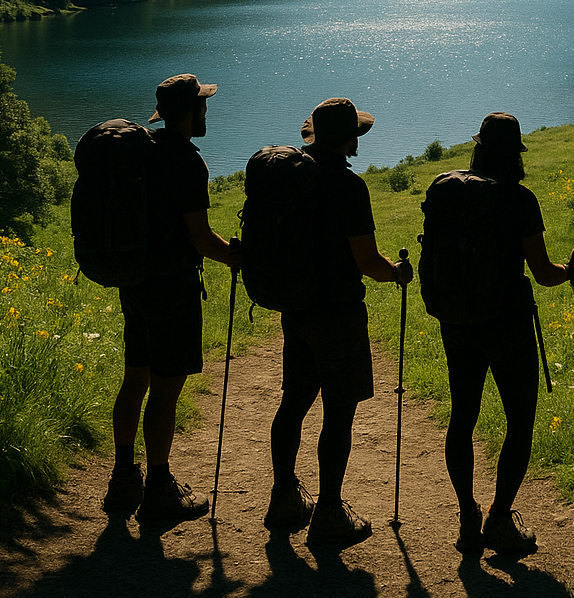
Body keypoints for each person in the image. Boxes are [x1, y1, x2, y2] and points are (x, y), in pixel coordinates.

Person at [434, 112, 574, 556]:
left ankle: (467, 513)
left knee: (462, 417)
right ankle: (500, 518)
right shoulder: (520, 200)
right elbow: (542, 273)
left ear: (478, 147)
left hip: (457, 322)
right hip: (507, 324)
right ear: (516, 153)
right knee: (519, 421)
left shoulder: (447, 190)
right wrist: (570, 271)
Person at [263, 97, 411, 545]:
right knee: (339, 411)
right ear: (350, 139)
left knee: (293, 402)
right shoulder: (348, 187)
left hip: (298, 309)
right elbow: (366, 260)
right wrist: (396, 273)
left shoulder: (293, 177)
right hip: (339, 313)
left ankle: (284, 496)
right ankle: (329, 512)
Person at [102, 73, 240, 523]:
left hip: (136, 283)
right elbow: (200, 239)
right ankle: (160, 488)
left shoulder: (144, 152)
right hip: (172, 289)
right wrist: (236, 258)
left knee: (134, 380)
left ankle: (124, 479)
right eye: (202, 106)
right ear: (188, 112)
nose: (207, 112)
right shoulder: (186, 161)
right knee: (164, 392)